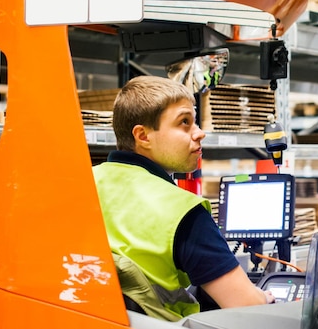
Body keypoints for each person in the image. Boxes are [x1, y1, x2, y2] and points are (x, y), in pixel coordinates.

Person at [93, 75, 274, 321]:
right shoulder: (183, 212)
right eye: (184, 123)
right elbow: (249, 311)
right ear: (143, 136)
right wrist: (262, 298)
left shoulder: (83, 184)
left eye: (195, 122)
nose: (199, 133)